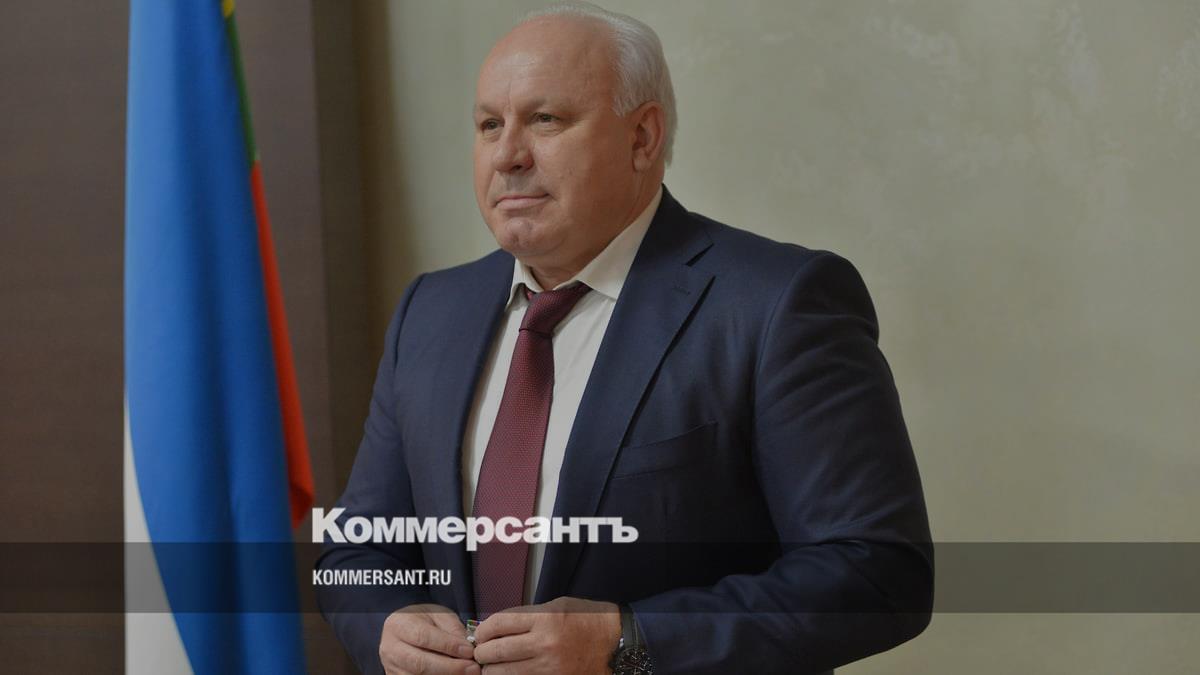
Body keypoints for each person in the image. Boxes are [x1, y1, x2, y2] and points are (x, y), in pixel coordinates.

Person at [316, 3, 933, 674]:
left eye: (545, 120)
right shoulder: (431, 310)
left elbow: (877, 572)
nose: (508, 155)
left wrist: (627, 642)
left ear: (642, 138)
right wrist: (387, 623)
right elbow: (359, 547)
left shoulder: (778, 303)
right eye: (490, 124)